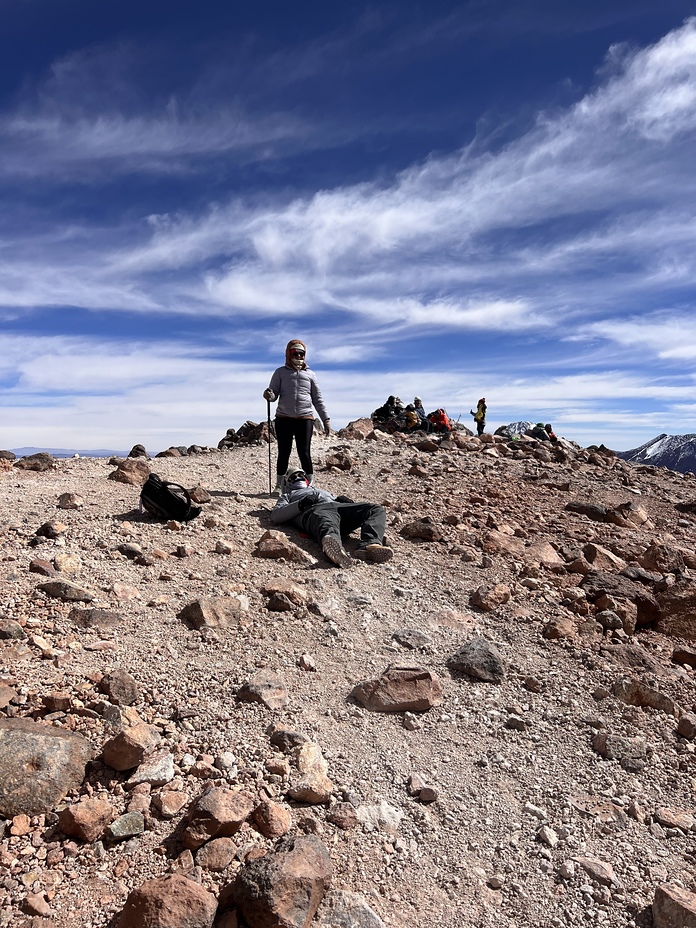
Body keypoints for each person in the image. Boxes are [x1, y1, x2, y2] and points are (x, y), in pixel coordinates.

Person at [271, 469, 393, 566]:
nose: (298, 478)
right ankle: (336, 551)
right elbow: (276, 516)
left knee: (375, 509)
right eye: (293, 477)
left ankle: (370, 545)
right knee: (326, 524)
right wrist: (300, 504)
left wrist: (346, 502)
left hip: (339, 508)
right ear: (287, 484)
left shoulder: (320, 490)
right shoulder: (287, 496)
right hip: (316, 511)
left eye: (301, 476)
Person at [263, 340, 330, 493]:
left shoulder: (311, 374)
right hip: (283, 418)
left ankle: (310, 483)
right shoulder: (280, 372)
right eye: (295, 353)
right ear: (289, 354)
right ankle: (279, 486)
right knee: (284, 451)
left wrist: (326, 419)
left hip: (305, 418)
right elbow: (273, 394)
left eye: (302, 353)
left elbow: (317, 399)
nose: (299, 356)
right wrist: (269, 395)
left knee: (304, 451)